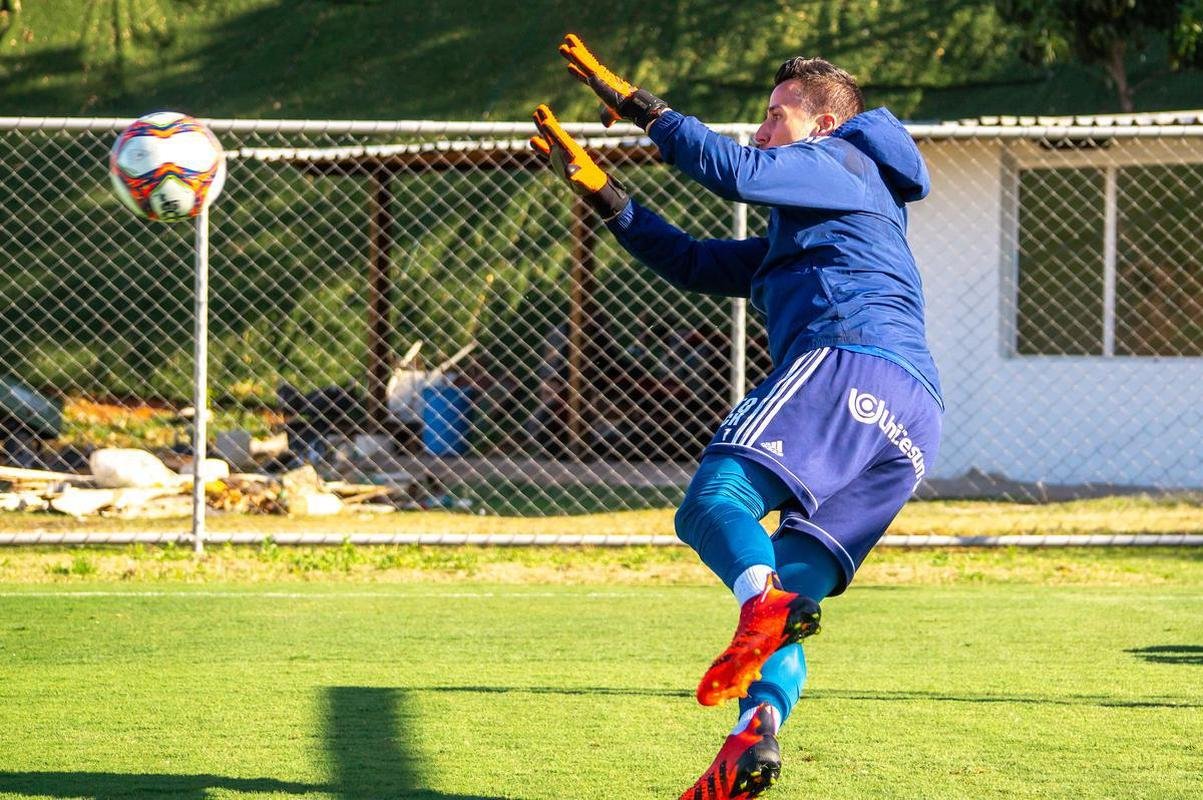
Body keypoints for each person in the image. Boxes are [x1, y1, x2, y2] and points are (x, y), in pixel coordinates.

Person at [531, 34, 944, 799]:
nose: (759, 130)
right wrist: (600, 190)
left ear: (821, 124)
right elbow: (690, 260)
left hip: (848, 361)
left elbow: (737, 171)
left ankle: (760, 602)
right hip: (911, 423)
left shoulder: (841, 160)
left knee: (712, 505)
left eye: (772, 114)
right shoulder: (826, 224)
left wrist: (636, 104)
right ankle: (752, 738)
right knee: (791, 595)